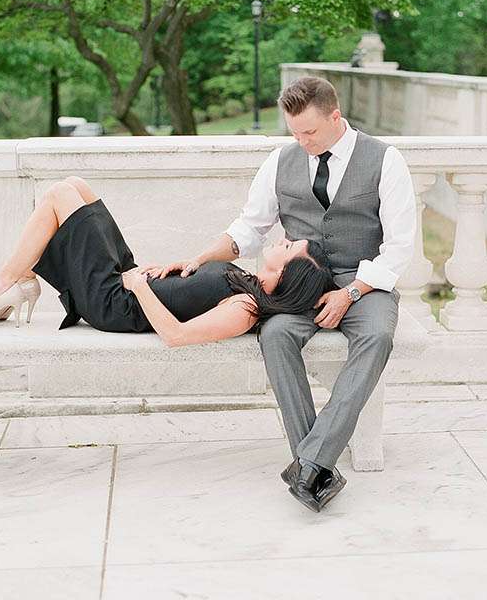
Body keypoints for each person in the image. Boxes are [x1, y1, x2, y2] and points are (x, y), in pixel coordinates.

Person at [155, 76, 416, 512]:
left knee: (376, 337)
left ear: (336, 117)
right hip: (299, 287)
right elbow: (249, 229)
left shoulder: (386, 160)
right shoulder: (282, 160)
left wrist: (351, 292)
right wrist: (199, 258)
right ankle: (315, 464)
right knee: (274, 335)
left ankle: (310, 462)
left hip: (365, 281)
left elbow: (400, 246)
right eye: (294, 132)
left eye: (310, 132)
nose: (302, 141)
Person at [0, 176, 335, 349]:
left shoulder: (247, 308)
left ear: (286, 273)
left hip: (115, 303)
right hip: (130, 282)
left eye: (289, 247)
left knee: (60, 195)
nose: (283, 240)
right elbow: (196, 290)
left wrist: (141, 287)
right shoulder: (247, 283)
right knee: (77, 186)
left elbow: (177, 336)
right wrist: (176, 269)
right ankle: (20, 282)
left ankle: (3, 288)